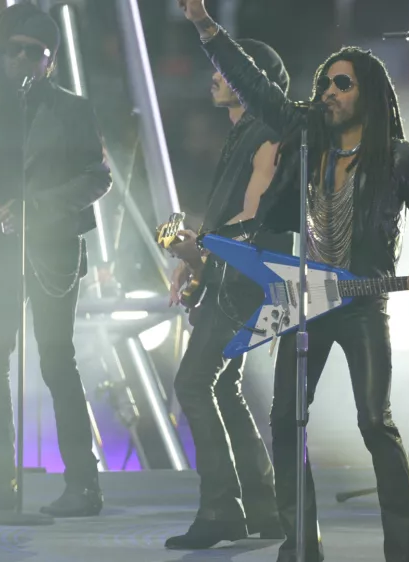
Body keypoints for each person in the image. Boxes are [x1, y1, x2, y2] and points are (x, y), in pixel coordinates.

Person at [179, 1, 409, 560]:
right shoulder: (308, 138)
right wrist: (207, 27)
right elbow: (256, 89)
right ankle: (300, 543)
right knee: (285, 419)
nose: (328, 91)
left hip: (362, 302)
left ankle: (406, 551)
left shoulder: (398, 158)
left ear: (368, 94)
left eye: (342, 84)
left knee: (375, 423)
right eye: (325, 82)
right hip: (304, 301)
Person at [0, 3, 110, 517]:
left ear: (51, 59)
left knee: (55, 359)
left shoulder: (72, 108)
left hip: (51, 248)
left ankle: (83, 486)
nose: (19, 60)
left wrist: (36, 209)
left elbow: (98, 176)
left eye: (32, 53)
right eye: (12, 50)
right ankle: (2, 482)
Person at [161, 44, 293, 549]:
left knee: (194, 383)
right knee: (222, 387)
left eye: (225, 70)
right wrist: (189, 256)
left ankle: (221, 510)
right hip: (233, 279)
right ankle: (263, 506)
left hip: (242, 283)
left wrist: (203, 250)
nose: (214, 77)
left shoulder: (267, 136)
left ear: (249, 79)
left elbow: (254, 220)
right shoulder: (244, 134)